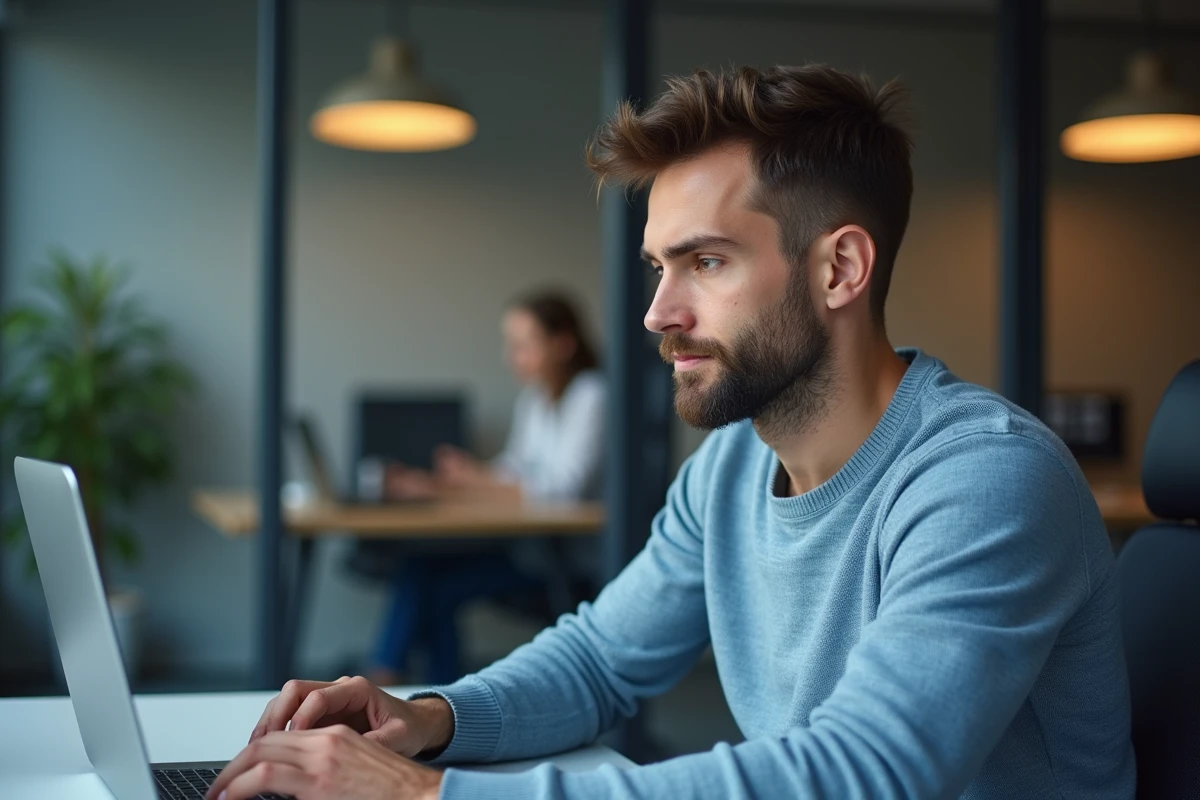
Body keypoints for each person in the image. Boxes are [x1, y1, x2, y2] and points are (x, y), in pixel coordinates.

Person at [207, 64, 1135, 800]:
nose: (656, 312)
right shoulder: (732, 465)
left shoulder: (983, 480)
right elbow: (603, 661)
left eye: (706, 262)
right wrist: (429, 719)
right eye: (659, 266)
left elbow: (869, 774)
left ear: (841, 268)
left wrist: (424, 797)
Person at [367, 291, 605, 687]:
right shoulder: (537, 399)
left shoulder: (592, 396)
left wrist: (473, 481)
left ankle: (399, 683)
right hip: (532, 547)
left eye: (523, 345)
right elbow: (513, 471)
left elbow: (562, 490)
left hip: (564, 557)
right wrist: (439, 485)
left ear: (563, 344)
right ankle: (414, 687)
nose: (512, 357)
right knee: (419, 567)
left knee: (436, 589)